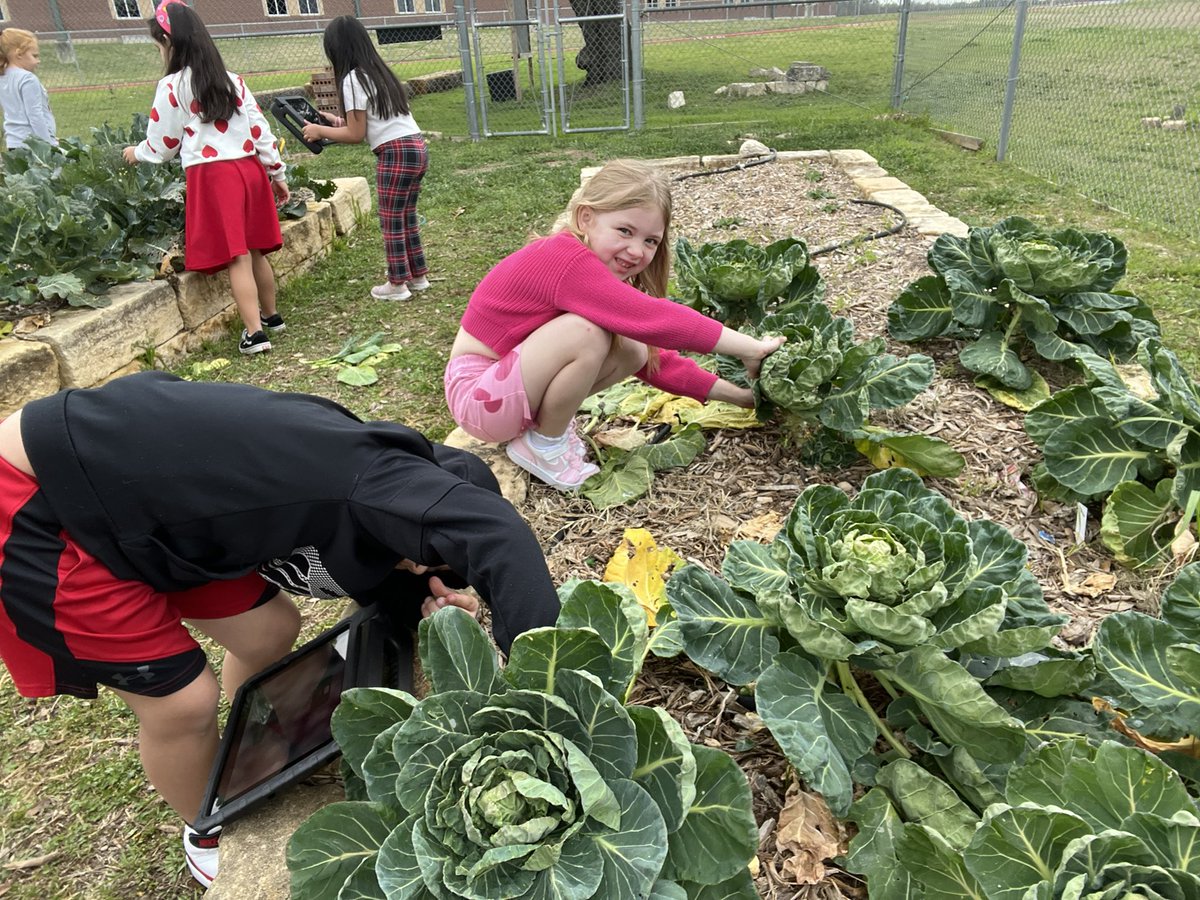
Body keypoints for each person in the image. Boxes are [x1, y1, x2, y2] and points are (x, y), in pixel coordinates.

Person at [0, 371, 561, 888]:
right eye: (425, 564)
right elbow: (498, 535)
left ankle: (252, 747)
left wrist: (422, 605)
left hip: (148, 501)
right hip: (37, 499)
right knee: (182, 705)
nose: (417, 571)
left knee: (268, 629)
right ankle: (208, 827)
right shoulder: (358, 485)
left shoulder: (380, 485)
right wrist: (548, 687)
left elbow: (387, 574)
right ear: (412, 533)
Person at [444, 157, 786, 490]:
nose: (637, 250)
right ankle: (544, 446)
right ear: (586, 218)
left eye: (650, 241)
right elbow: (656, 318)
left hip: (502, 396)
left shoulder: (590, 271)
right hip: (478, 397)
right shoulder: (564, 260)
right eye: (625, 230)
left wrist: (740, 397)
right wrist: (750, 349)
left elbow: (655, 360)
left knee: (632, 348)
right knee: (587, 333)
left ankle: (545, 435)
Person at [122, 0, 290, 356]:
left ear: (170, 44)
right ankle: (272, 315)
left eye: (159, 46)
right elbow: (260, 131)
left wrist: (136, 152)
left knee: (237, 256)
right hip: (249, 169)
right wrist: (276, 173)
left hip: (213, 177)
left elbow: (163, 144)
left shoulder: (172, 87)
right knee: (256, 248)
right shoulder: (232, 80)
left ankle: (255, 333)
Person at [301, 15, 430, 302]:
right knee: (406, 216)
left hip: (394, 154)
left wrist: (318, 130)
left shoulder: (351, 79)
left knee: (391, 220)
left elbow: (356, 134)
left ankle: (397, 284)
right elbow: (370, 122)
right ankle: (418, 275)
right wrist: (335, 122)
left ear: (337, 49)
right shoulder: (378, 72)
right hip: (416, 148)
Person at [0, 27, 57, 151]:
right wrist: (48, 144)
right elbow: (35, 115)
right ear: (19, 54)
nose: (38, 61)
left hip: (13, 143)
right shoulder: (27, 79)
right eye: (34, 56)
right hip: (33, 146)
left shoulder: (3, 76)